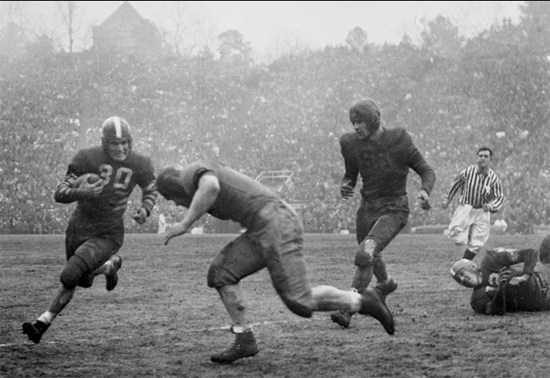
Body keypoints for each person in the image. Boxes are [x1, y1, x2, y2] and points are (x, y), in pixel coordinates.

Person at [156, 160, 395, 364]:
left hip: (275, 223)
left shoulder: (187, 175)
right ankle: (244, 338)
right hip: (262, 227)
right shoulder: (194, 174)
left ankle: (363, 300)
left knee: (301, 300)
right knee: (221, 273)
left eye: (174, 201)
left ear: (173, 189)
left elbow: (210, 185)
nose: (178, 205)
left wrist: (185, 223)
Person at [22, 116, 158, 343]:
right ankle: (109, 267)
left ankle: (42, 323)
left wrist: (145, 209)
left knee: (70, 275)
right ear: (105, 143)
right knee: (82, 279)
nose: (120, 147)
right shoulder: (87, 157)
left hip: (108, 232)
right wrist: (81, 192)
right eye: (114, 143)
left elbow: (150, 189)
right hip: (80, 227)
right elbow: (60, 192)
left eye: (124, 142)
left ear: (130, 141)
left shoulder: (140, 162)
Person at [330, 98, 436, 328]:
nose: (356, 127)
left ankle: (349, 307)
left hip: (393, 208)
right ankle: (386, 283)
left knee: (365, 253)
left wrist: (425, 191)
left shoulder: (398, 140)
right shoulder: (351, 143)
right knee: (370, 253)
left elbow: (426, 169)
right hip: (367, 208)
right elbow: (350, 174)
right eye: (353, 122)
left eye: (360, 122)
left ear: (373, 119)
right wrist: (345, 184)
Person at [450, 234, 550, 315]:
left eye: (462, 274)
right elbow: (496, 311)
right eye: (459, 280)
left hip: (542, 277)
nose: (462, 279)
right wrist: (500, 290)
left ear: (472, 267)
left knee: (547, 242)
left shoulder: (491, 260)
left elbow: (530, 253)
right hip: (542, 300)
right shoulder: (477, 299)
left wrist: (525, 276)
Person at [441, 146, 504, 260]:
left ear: (491, 159)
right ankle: (468, 233)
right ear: (477, 158)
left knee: (477, 244)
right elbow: (455, 185)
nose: (483, 158)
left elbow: (499, 197)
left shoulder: (494, 179)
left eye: (486, 156)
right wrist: (447, 199)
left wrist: (491, 206)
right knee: (458, 239)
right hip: (466, 208)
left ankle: (464, 262)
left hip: (482, 211)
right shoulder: (467, 172)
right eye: (480, 156)